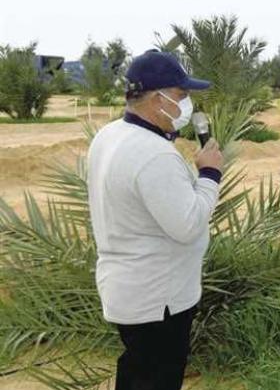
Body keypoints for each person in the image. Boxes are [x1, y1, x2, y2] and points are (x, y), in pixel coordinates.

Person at [88, 50, 224, 389]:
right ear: (156, 99)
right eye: (181, 96)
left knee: (138, 370)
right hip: (158, 302)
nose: (187, 104)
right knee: (156, 377)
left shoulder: (110, 134)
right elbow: (189, 224)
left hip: (130, 292)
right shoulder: (154, 154)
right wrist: (209, 173)